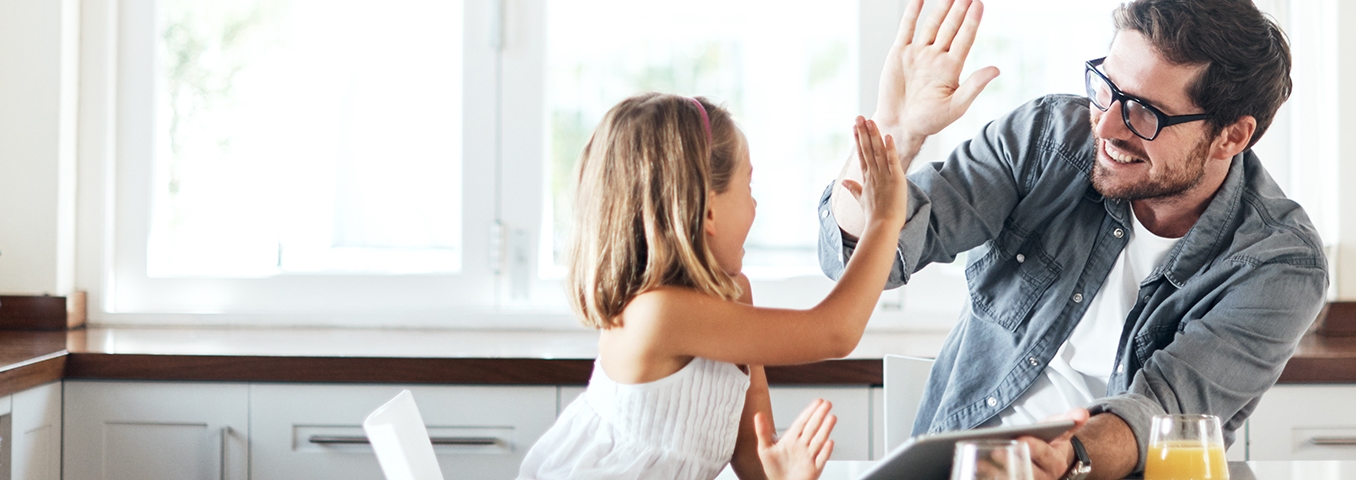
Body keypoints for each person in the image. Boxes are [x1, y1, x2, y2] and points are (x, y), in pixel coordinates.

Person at [818, 0, 1327, 479]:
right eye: (1105, 86)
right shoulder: (1047, 138)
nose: (1105, 125)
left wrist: (1069, 458)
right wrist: (895, 133)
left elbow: (1165, 411)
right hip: (967, 466)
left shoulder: (1277, 262)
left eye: (1144, 113)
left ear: (1232, 136)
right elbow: (861, 263)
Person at [517, 92, 908, 479]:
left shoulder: (734, 294)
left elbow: (752, 452)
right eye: (748, 188)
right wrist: (883, 222)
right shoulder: (656, 313)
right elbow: (835, 332)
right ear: (707, 211)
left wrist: (780, 473)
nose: (756, 207)